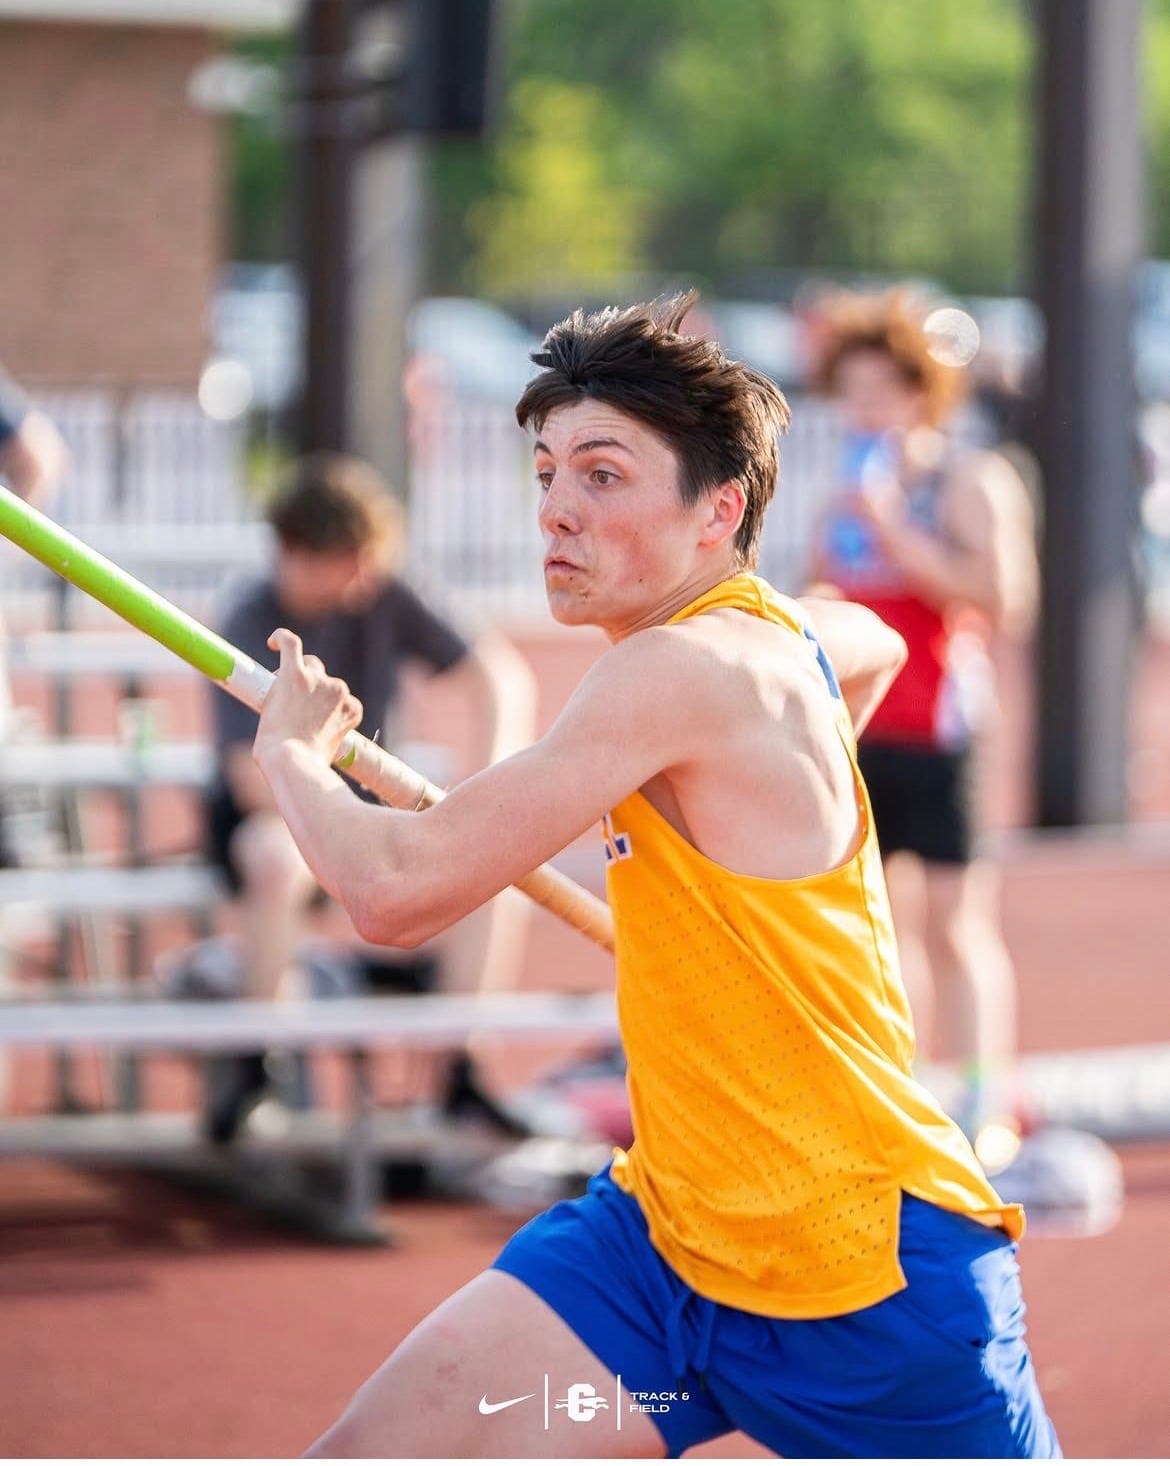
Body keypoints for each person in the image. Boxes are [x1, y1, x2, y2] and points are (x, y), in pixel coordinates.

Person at [250, 295, 1059, 1458]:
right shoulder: (777, 636)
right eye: (547, 472)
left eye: (604, 475)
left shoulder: (678, 669)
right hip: (665, 1251)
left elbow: (392, 887)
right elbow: (863, 649)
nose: (557, 511)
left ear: (718, 509)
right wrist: (735, 889)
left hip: (865, 1275)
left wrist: (291, 752)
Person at [198, 451, 536, 1143]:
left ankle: (460, 1069)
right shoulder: (246, 616)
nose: (362, 578)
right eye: (345, 561)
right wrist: (332, 826)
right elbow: (251, 781)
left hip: (361, 812)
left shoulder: (383, 591)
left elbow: (499, 676)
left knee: (495, 863)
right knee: (274, 859)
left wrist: (487, 784)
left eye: (366, 561)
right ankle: (256, 1067)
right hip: (278, 813)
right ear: (298, 553)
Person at [805, 289, 1039, 1151]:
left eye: (882, 388)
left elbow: (1005, 598)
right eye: (852, 388)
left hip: (940, 732)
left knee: (953, 922)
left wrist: (898, 532)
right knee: (875, 929)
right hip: (858, 733)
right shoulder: (846, 489)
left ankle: (987, 1101)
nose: (865, 407)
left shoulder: (968, 478)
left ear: (921, 391)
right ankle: (896, 1101)